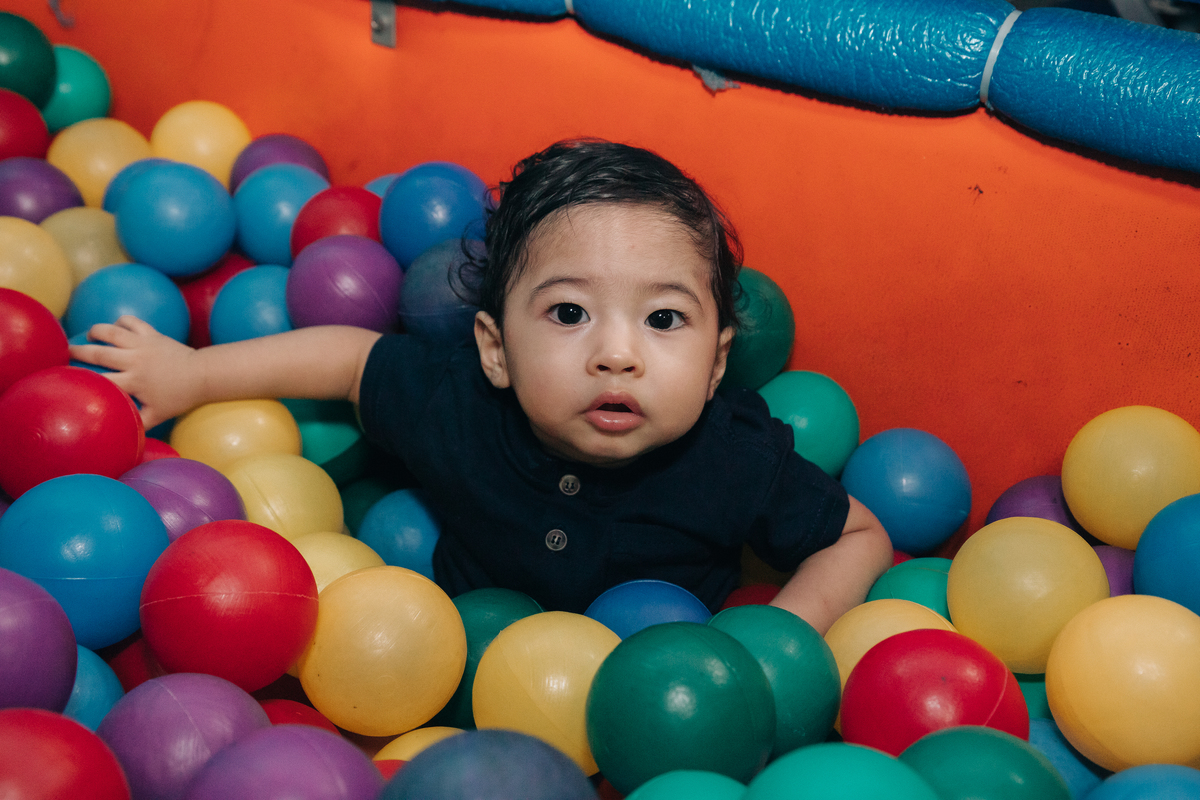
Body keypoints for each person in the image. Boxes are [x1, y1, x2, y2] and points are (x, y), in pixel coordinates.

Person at [71, 138, 892, 635]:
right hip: (451, 658)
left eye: (664, 320)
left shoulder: (735, 462)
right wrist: (192, 374)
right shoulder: (458, 404)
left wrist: (785, 635)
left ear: (716, 366)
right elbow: (351, 361)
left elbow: (858, 536)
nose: (617, 355)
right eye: (569, 313)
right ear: (496, 351)